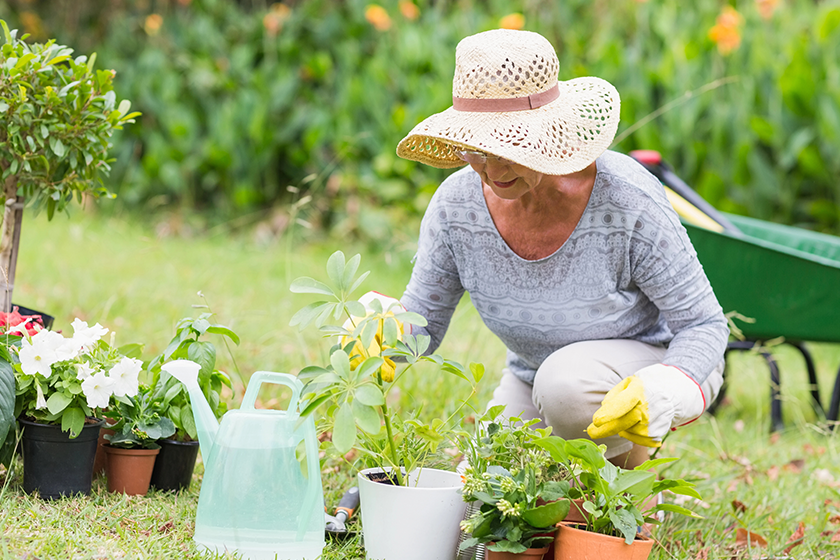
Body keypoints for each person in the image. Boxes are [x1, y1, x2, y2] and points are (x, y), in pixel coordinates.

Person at [392, 28, 728, 468]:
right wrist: (383, 332)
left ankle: (632, 478)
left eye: (507, 144)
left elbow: (704, 324)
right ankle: (574, 484)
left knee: (565, 387)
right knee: (478, 504)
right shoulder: (457, 207)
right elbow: (424, 324)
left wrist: (668, 386)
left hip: (646, 369)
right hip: (531, 379)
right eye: (476, 148)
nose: (491, 168)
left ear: (548, 130)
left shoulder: (626, 199)